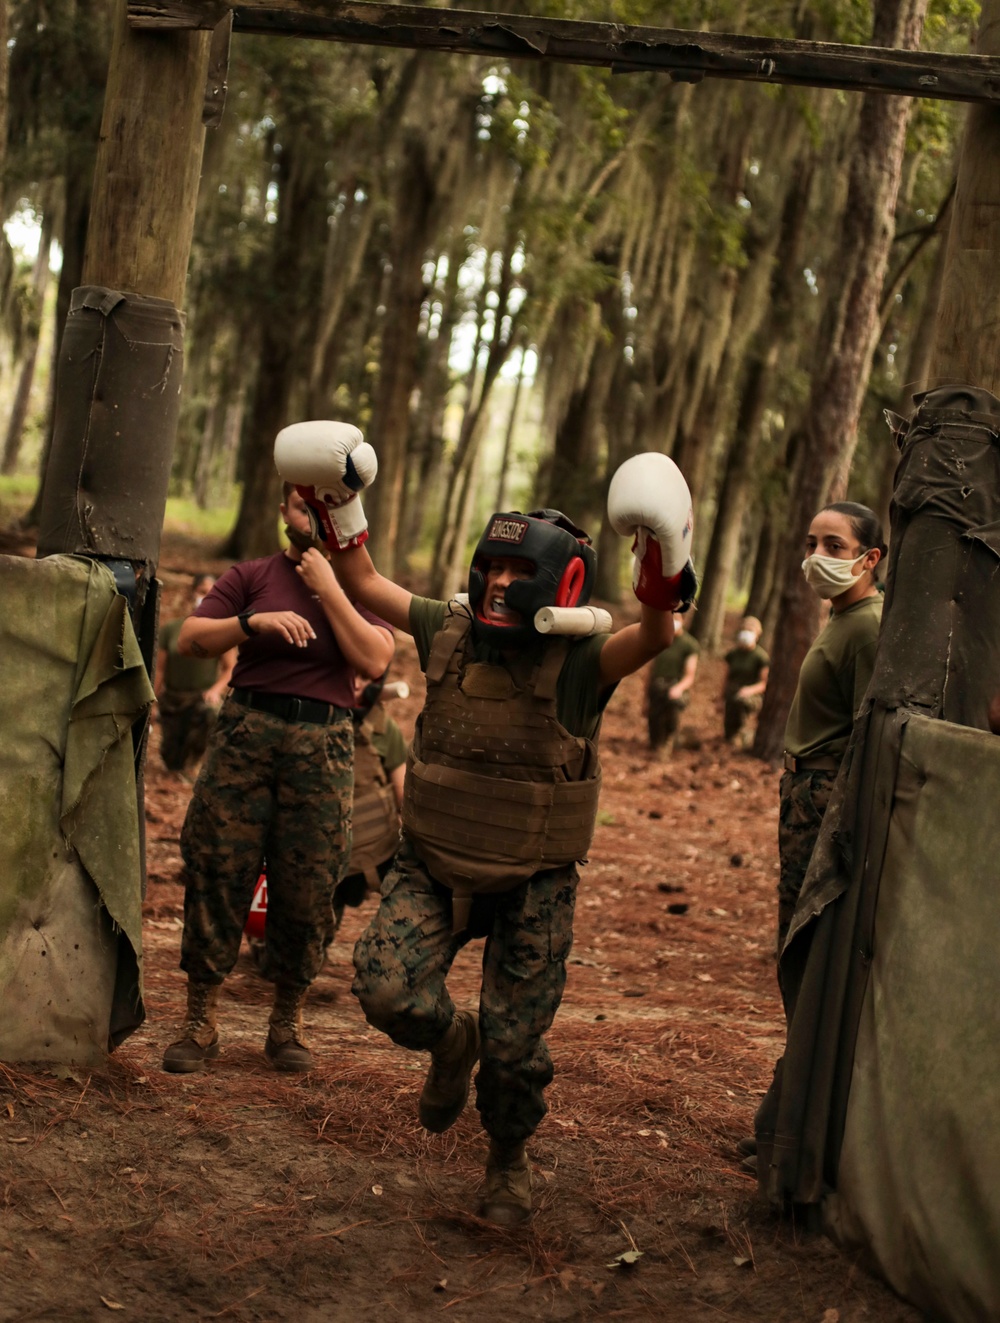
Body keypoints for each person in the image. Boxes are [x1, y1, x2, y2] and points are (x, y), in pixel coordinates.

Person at [280, 426, 696, 1226]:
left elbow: (656, 633)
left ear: (558, 581)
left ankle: (507, 1156)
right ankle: (448, 1044)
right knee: (385, 988)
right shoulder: (449, 628)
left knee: (515, 1047)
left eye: (519, 571)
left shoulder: (579, 661)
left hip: (533, 881)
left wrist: (666, 558)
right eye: (493, 567)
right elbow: (362, 579)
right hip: (433, 866)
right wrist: (338, 502)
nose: (501, 583)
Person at [161, 483, 394, 1075]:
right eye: (297, 504)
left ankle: (286, 1021)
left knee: (310, 879)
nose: (308, 516)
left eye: (321, 507)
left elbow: (374, 660)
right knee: (218, 866)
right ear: (283, 511)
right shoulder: (252, 574)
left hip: (323, 744)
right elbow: (191, 638)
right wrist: (250, 622)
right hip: (247, 732)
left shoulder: (360, 583)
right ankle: (200, 1020)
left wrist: (330, 589)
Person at [778, 501, 884, 995]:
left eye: (834, 546)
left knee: (807, 935)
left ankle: (807, 1066)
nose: (817, 555)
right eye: (811, 544)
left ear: (870, 559)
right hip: (806, 792)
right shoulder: (844, 616)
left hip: (824, 796)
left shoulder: (867, 625)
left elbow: (871, 735)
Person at [155, 574, 237, 775]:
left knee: (211, 714)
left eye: (211, 594)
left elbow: (230, 668)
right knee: (171, 762)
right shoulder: (171, 630)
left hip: (200, 698)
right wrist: (153, 702)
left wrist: (215, 691)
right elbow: (159, 669)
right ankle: (178, 761)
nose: (205, 597)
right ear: (192, 594)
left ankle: (197, 761)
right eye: (202, 592)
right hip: (173, 700)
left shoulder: (221, 629)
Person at [644, 607, 699, 756]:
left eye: (677, 619)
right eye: (671, 618)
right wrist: (645, 694)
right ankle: (656, 742)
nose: (673, 622)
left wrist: (679, 688)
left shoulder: (689, 645)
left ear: (683, 621)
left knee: (672, 708)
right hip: (657, 685)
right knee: (654, 717)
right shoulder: (660, 639)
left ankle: (669, 740)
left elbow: (690, 675)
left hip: (675, 685)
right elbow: (652, 668)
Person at [721, 615, 769, 748]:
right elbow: (727, 676)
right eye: (745, 629)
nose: (746, 633)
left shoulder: (761, 657)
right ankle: (729, 738)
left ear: (757, 634)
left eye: (751, 630)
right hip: (733, 691)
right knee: (729, 723)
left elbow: (764, 683)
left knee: (741, 703)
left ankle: (743, 735)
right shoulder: (733, 654)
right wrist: (722, 695)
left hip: (751, 695)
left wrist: (749, 690)